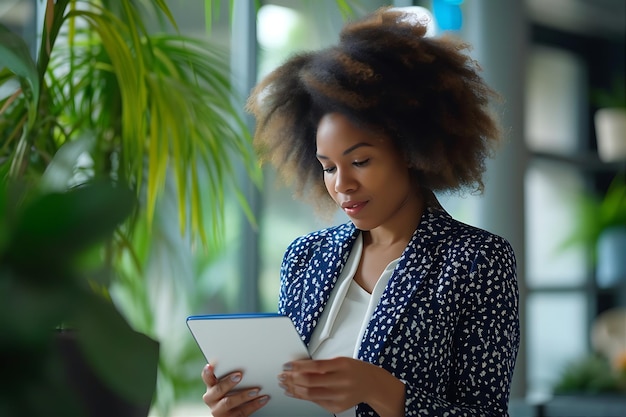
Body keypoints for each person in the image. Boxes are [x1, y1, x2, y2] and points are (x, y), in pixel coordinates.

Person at [202, 6, 520, 417]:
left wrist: (382, 390)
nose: (342, 185)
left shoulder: (477, 262)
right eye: (329, 167)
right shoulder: (305, 257)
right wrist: (241, 405)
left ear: (410, 150)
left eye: (361, 161)